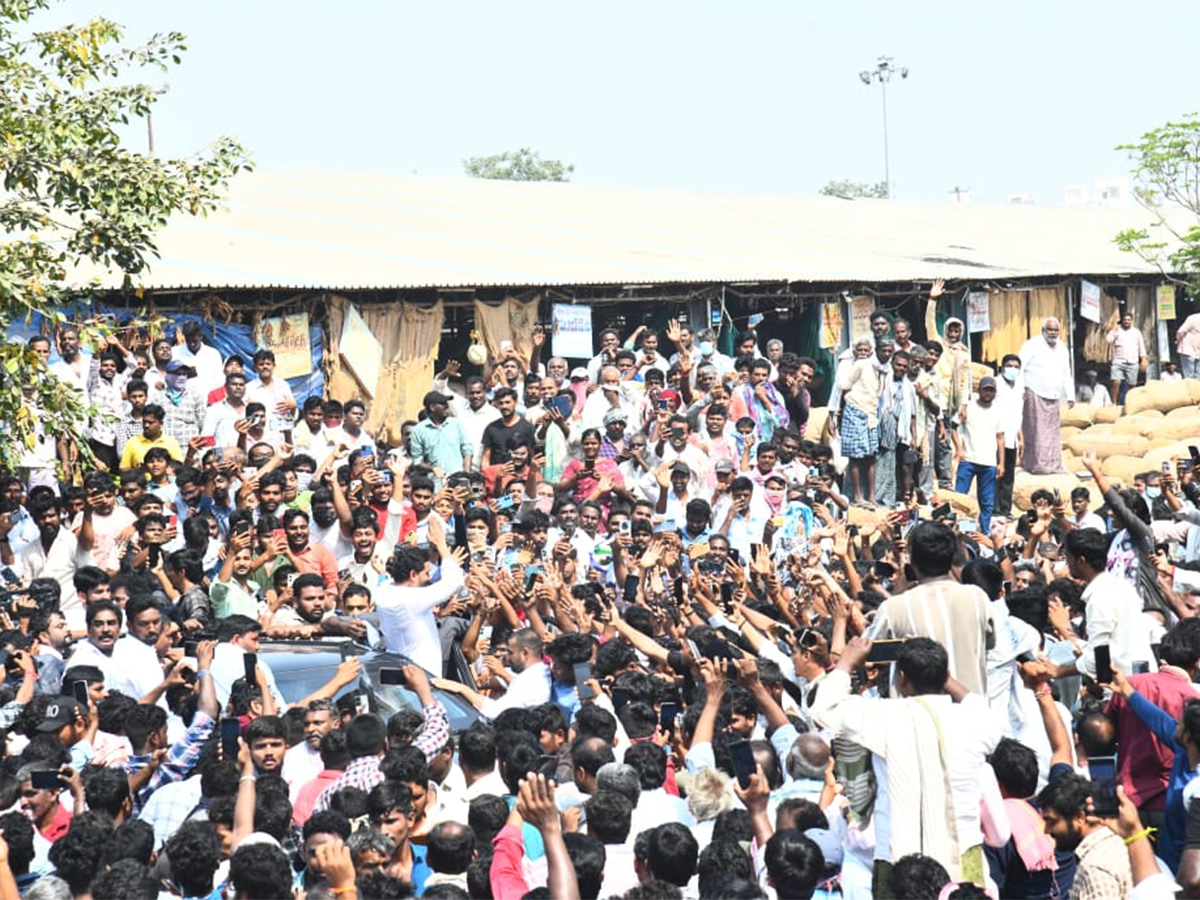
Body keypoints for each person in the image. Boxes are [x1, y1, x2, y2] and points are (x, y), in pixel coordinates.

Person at [812, 636, 1003, 890]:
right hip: (963, 856)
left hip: (898, 862)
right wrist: (941, 676)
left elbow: (824, 708)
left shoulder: (886, 718)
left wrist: (846, 663)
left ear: (901, 677)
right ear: (945, 674)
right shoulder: (976, 721)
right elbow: (977, 705)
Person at [866, 521, 993, 695]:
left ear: (913, 560)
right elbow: (990, 643)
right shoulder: (977, 597)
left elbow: (866, 653)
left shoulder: (894, 607)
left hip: (919, 718)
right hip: (971, 714)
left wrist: (899, 588)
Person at [1018, 318, 1073, 475]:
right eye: (1050, 330)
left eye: (1056, 330)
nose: (1053, 333)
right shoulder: (1032, 345)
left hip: (1053, 394)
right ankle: (1036, 465)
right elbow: (1020, 366)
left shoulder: (1062, 348)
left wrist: (1070, 395)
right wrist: (1020, 388)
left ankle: (1053, 464)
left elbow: (1066, 372)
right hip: (1034, 390)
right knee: (1036, 431)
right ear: (1043, 331)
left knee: (1052, 432)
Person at [952, 377, 1005, 533]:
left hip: (988, 462)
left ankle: (985, 530)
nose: (988, 393)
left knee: (986, 501)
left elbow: (1000, 438)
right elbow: (953, 427)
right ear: (979, 390)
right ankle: (958, 527)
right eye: (985, 389)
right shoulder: (968, 407)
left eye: (991, 390)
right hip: (968, 459)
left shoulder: (998, 411)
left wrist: (1001, 462)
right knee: (960, 496)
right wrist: (959, 449)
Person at [1106, 311, 1147, 405]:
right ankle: (1114, 402)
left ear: (1132, 321)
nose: (1127, 322)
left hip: (1132, 361)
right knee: (1116, 382)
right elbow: (1108, 340)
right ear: (1122, 321)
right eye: (1125, 320)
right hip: (1118, 361)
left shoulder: (1136, 332)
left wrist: (1143, 360)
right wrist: (1113, 330)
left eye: (1129, 320)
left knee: (1131, 385)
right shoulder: (1117, 330)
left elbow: (1141, 347)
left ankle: (1129, 403)